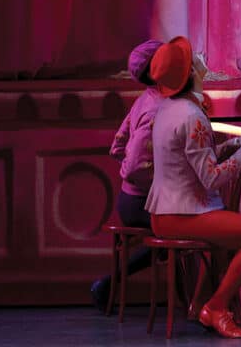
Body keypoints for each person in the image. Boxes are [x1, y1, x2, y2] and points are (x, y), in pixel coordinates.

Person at [146, 36, 241, 338]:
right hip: (182, 215)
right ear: (192, 73)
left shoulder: (169, 108)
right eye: (196, 58)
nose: (203, 57)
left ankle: (201, 303)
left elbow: (186, 159)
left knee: (232, 232)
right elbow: (211, 179)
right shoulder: (192, 115)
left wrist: (228, 146)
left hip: (167, 212)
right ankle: (216, 306)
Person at [90, 38, 163, 310]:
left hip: (132, 197)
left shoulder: (146, 99)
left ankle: (108, 283)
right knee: (182, 226)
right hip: (140, 202)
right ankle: (108, 283)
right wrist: (156, 179)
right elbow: (131, 165)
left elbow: (117, 145)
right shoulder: (156, 108)